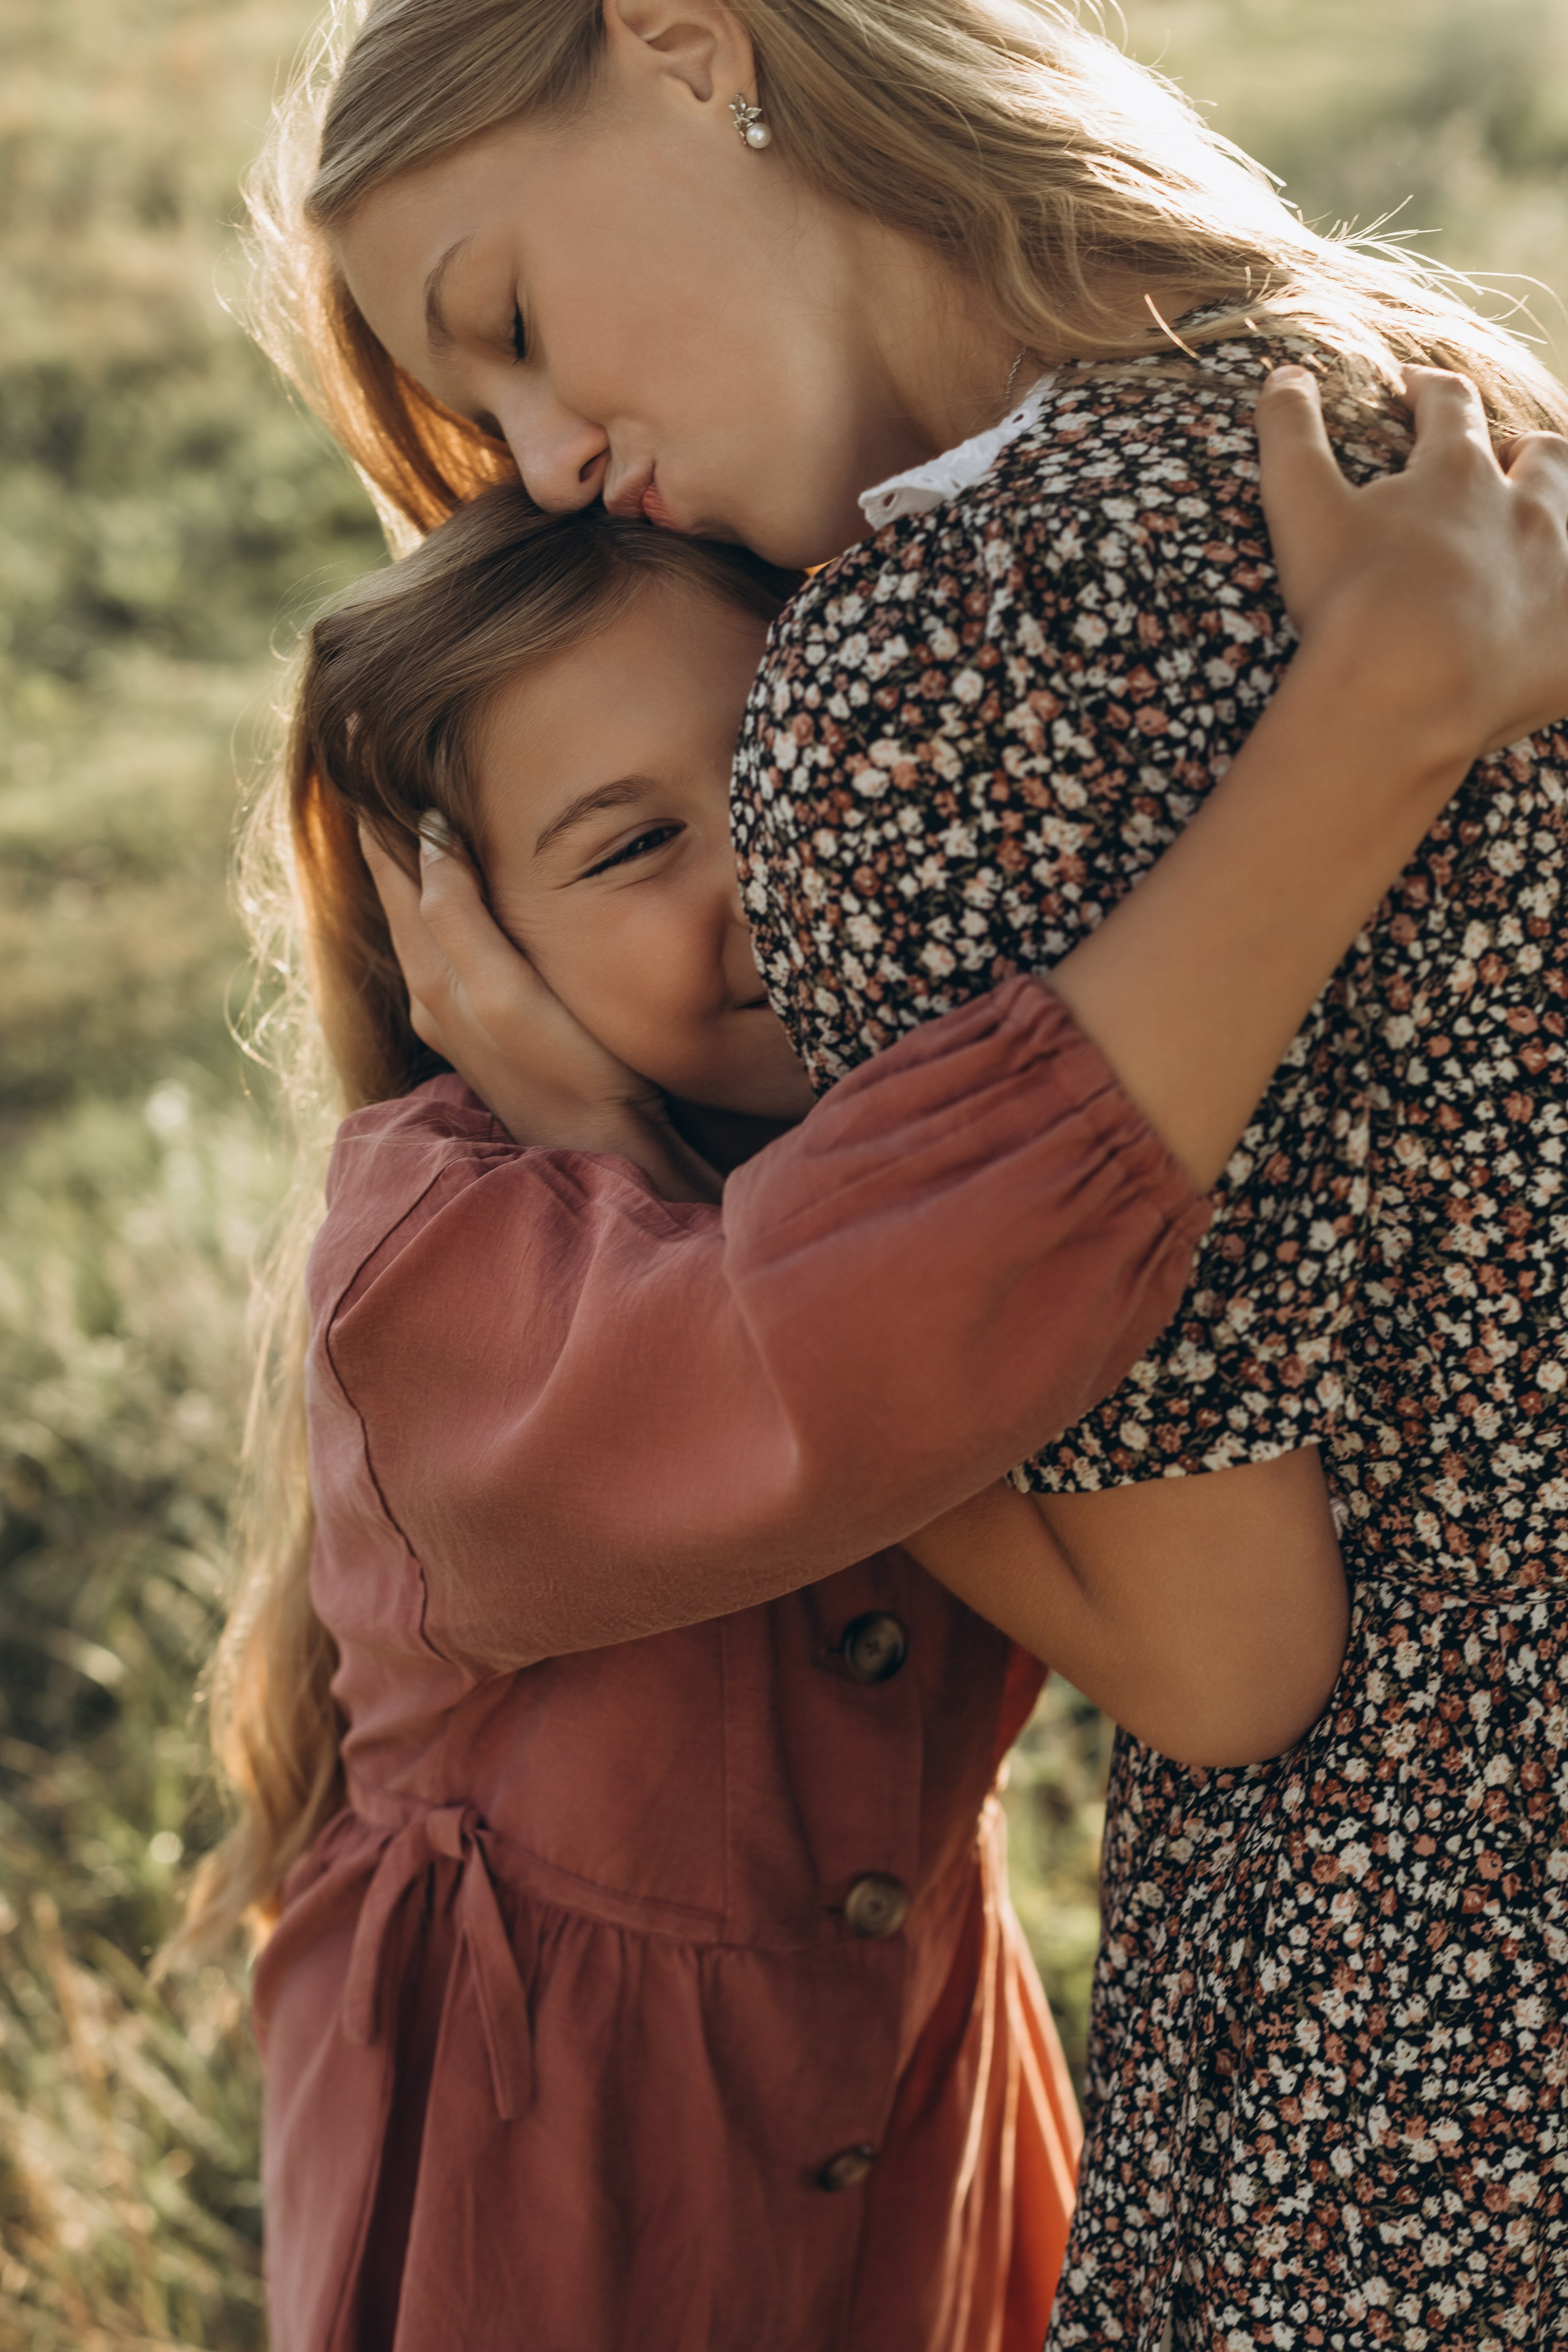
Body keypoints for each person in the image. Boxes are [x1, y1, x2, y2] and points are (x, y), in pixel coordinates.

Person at [238, 1, 1568, 2341]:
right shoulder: (1429, 421)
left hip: (1290, 2046)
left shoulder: (927, 675)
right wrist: (1367, 715)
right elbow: (824, 1361)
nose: (553, 460)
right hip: (568, 2216)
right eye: (626, 849)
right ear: (462, 923)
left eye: (512, 320)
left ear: (686, 44)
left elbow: (1209, 1640)